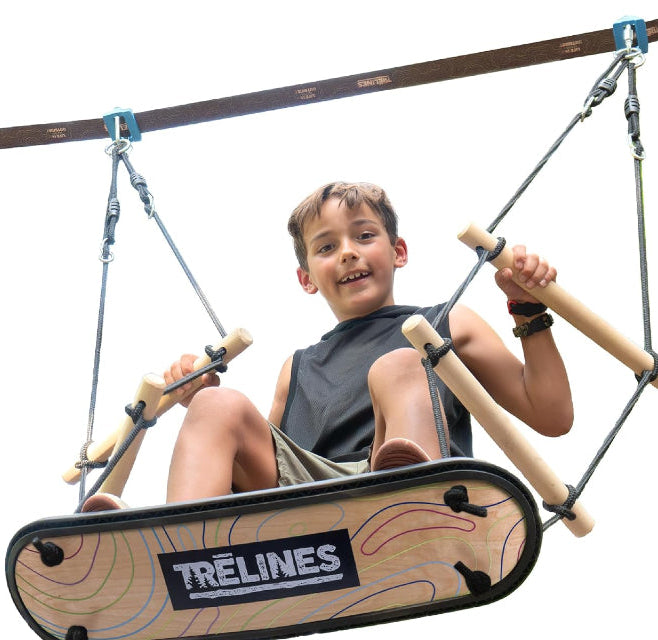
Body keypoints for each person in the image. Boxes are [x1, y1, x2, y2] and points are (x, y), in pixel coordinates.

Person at [162, 182, 573, 504]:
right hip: (307, 500)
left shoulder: (445, 323)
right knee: (216, 404)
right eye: (326, 247)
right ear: (307, 279)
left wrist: (528, 311)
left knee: (400, 363)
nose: (347, 253)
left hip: (389, 488)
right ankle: (177, 545)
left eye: (364, 236)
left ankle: (413, 501)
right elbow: (268, 458)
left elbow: (551, 415)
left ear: (398, 252)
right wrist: (198, 398)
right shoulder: (298, 367)